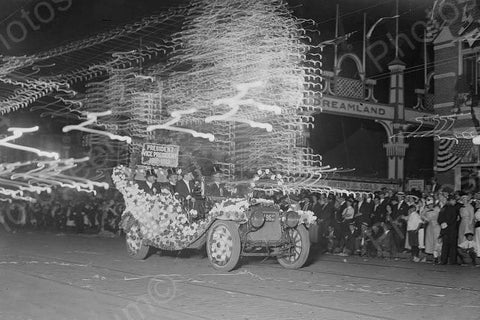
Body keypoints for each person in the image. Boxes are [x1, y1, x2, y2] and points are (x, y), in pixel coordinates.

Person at [438, 195, 460, 265]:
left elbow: (439, 218)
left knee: (445, 245)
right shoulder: (453, 208)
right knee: (453, 246)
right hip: (452, 229)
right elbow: (454, 218)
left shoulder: (443, 208)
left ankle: (443, 260)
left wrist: (442, 223)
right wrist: (447, 223)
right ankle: (452, 261)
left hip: (444, 229)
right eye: (454, 200)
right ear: (451, 200)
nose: (455, 202)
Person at [421, 197, 442, 264]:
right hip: (430, 227)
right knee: (430, 241)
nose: (430, 205)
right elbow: (422, 215)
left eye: (431, 204)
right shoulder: (426, 210)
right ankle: (434, 256)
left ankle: (439, 256)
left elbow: (441, 216)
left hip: (436, 226)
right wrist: (426, 219)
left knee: (437, 241)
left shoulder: (437, 209)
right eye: (429, 204)